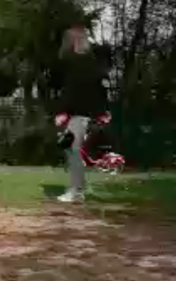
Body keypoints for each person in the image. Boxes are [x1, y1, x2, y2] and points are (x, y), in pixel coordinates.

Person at [55, 24, 109, 203]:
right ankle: (78, 188)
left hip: (80, 115)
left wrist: (64, 111)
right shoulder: (82, 62)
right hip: (79, 114)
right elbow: (75, 90)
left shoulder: (84, 63)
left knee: (73, 151)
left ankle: (76, 191)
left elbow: (80, 90)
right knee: (72, 151)